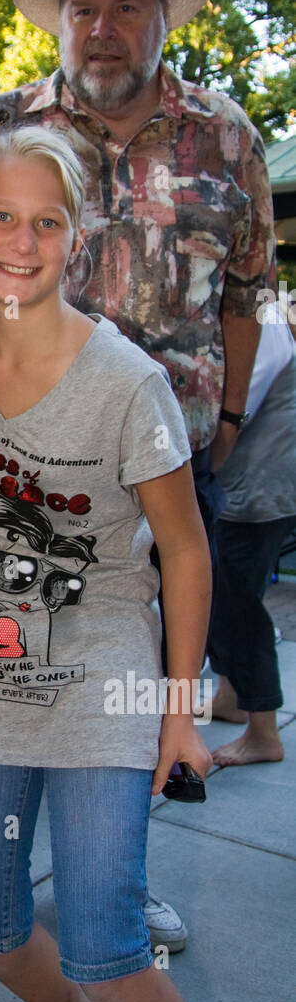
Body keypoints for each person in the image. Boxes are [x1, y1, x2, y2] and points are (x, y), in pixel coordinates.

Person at [0, 0, 277, 964]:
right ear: (57, 23)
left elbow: (249, 294)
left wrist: (222, 418)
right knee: (10, 650)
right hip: (21, 452)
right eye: (84, 10)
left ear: (163, 17)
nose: (104, 28)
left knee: (142, 663)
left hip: (166, 454)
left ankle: (117, 871)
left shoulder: (227, 137)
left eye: (128, 6)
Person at [0, 124, 212, 1002]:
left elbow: (183, 548)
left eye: (47, 222)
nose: (22, 240)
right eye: (1, 217)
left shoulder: (130, 385)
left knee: (105, 939)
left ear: (78, 239)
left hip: (105, 679)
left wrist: (179, 716)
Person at [208, 306, 296, 766]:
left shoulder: (257, 314)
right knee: (225, 593)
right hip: (251, 477)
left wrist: (207, 453)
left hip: (261, 480)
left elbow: (236, 403)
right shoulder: (244, 308)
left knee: (237, 599)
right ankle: (231, 696)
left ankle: (264, 731)